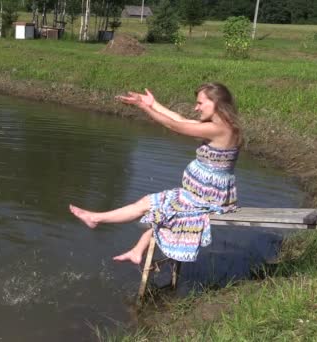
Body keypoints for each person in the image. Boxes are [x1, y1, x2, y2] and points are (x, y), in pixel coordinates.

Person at [70, 82, 242, 264]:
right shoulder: (221, 125)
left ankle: (95, 218)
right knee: (154, 205)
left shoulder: (220, 129)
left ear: (216, 102)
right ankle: (135, 249)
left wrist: (144, 108)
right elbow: (180, 120)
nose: (196, 107)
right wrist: (153, 104)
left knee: (152, 205)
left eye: (200, 103)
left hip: (208, 198)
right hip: (201, 194)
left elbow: (176, 126)